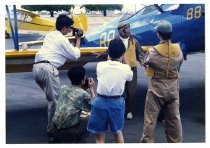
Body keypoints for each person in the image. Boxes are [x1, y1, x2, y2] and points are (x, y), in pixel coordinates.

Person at [32, 14, 83, 136]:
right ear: (64, 28)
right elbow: (76, 55)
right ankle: (53, 132)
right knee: (55, 102)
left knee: (53, 98)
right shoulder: (62, 40)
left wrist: (72, 37)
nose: (71, 29)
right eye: (70, 27)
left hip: (36, 68)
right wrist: (78, 40)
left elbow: (59, 46)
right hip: (48, 69)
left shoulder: (50, 35)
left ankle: (54, 127)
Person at [140, 20, 183, 143]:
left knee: (150, 120)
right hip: (173, 88)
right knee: (174, 120)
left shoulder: (153, 51)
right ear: (170, 33)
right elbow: (180, 62)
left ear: (158, 34)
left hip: (157, 88)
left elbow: (144, 62)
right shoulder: (178, 49)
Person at [93, 21, 144, 120]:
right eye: (126, 29)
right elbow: (110, 51)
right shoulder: (115, 40)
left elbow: (140, 53)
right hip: (118, 67)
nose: (129, 31)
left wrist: (143, 62)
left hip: (131, 68)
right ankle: (120, 109)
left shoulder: (134, 41)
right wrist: (102, 55)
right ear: (121, 30)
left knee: (131, 90)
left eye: (129, 28)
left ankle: (129, 110)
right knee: (119, 90)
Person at [87, 38, 133, 143]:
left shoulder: (100, 65)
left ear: (109, 53)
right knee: (117, 131)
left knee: (99, 135)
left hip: (100, 102)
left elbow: (108, 65)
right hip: (116, 103)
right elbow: (130, 77)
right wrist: (124, 59)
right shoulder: (125, 68)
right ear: (122, 54)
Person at [51, 67, 95, 143]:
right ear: (82, 80)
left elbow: (74, 96)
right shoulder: (83, 93)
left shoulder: (63, 88)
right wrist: (91, 89)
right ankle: (77, 141)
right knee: (90, 119)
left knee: (79, 116)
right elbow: (95, 107)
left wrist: (82, 88)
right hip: (68, 132)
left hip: (54, 128)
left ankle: (58, 139)